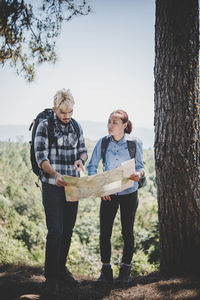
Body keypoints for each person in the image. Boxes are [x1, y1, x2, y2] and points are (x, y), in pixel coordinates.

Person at [34, 89, 87, 295]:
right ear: (55, 108)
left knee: (68, 230)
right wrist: (55, 174)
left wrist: (80, 160)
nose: (67, 117)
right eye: (63, 113)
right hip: (52, 185)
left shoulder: (76, 125)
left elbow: (83, 150)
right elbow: (41, 158)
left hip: (73, 185)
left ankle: (61, 269)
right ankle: (51, 277)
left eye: (70, 112)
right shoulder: (44, 126)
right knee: (55, 231)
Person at [87, 109, 145, 284]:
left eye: (115, 122)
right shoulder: (103, 143)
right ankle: (106, 271)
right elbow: (91, 167)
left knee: (127, 233)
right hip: (108, 195)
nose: (110, 125)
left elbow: (141, 167)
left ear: (125, 125)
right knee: (105, 233)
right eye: (109, 122)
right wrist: (100, 189)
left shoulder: (135, 143)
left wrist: (138, 174)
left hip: (129, 193)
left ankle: (125, 271)